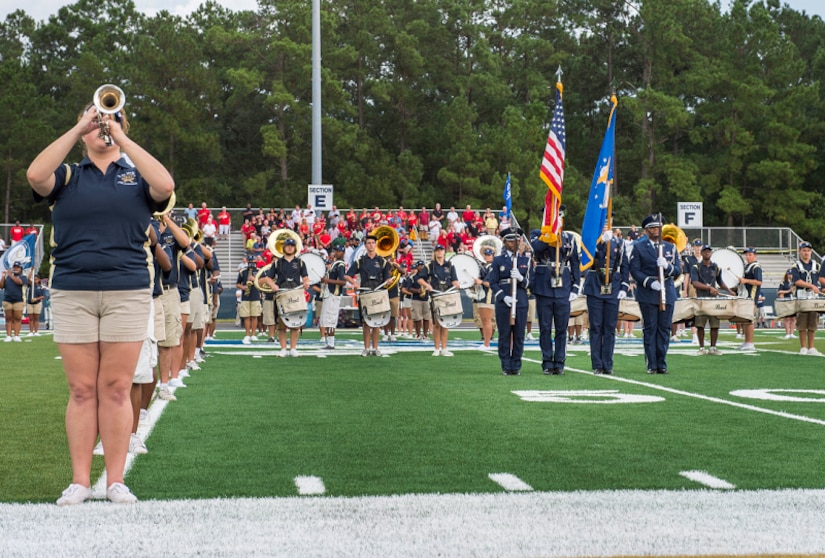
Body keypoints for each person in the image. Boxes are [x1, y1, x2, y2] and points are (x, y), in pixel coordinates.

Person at [27, 95, 175, 505]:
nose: (103, 126)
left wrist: (122, 137)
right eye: (96, 121)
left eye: (113, 119)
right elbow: (36, 175)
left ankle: (115, 480)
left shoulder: (136, 176)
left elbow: (165, 186)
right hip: (72, 290)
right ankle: (78, 480)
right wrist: (81, 126)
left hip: (127, 291)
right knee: (80, 390)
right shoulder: (70, 175)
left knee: (114, 388)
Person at [629, 214, 682, 374]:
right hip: (648, 292)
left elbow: (678, 270)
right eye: (652, 228)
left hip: (668, 290)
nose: (656, 230)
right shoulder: (639, 247)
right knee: (651, 328)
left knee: (664, 328)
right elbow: (635, 270)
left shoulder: (670, 247)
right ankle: (651, 363)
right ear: (646, 230)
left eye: (658, 227)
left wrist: (667, 266)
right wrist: (649, 282)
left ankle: (662, 362)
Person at [530, 225, 582, 375]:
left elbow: (575, 263)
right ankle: (547, 362)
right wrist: (548, 236)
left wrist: (576, 286)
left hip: (563, 287)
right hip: (544, 286)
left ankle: (559, 362)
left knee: (561, 329)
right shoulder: (537, 234)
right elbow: (537, 249)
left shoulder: (569, 238)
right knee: (545, 328)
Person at [584, 229, 630, 375]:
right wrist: (600, 243)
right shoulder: (590, 243)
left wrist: (624, 285)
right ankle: (597, 364)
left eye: (607, 222)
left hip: (613, 287)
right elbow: (586, 260)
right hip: (595, 285)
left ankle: (607, 364)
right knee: (596, 327)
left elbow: (624, 265)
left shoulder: (620, 243)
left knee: (609, 328)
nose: (604, 226)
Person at [487, 227, 532, 375]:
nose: (514, 243)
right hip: (504, 301)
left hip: (520, 299)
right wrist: (502, 296)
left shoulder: (526, 260)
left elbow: (531, 283)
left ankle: (516, 365)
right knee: (505, 334)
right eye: (511, 240)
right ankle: (506, 365)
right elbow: (492, 282)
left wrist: (521, 278)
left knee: (519, 335)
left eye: (516, 240)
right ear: (505, 241)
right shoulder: (498, 260)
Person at [260, 237, 309, 357]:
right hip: (282, 295)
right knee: (281, 323)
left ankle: (293, 348)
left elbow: (305, 276)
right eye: (288, 245)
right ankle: (283, 348)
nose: (290, 247)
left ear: (295, 248)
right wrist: (272, 285)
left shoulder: (300, 262)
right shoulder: (277, 263)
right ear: (284, 248)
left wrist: (306, 282)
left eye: (292, 246)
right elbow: (267, 278)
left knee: (295, 323)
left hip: (295, 294)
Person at [346, 234, 390, 356]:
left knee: (377, 322)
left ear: (375, 245)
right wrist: (354, 282)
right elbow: (347, 275)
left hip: (378, 293)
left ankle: (375, 348)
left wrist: (388, 280)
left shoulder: (383, 261)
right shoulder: (360, 261)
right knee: (366, 322)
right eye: (369, 243)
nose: (371, 245)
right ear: (365, 246)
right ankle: (366, 348)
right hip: (365, 293)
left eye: (373, 243)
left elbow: (387, 277)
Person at [690, 244, 736, 356]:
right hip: (701, 298)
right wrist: (709, 288)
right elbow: (695, 283)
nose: (707, 253)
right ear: (701, 253)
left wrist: (729, 290)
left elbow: (720, 281)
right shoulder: (696, 267)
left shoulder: (716, 267)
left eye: (709, 251)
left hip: (714, 300)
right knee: (700, 324)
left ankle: (713, 347)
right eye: (705, 251)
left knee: (715, 324)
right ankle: (701, 347)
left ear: (711, 253)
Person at [416, 245, 460, 356]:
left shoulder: (450, 265)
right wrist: (427, 285)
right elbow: (420, 279)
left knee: (445, 323)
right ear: (435, 253)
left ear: (444, 252)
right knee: (436, 323)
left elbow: (454, 280)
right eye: (437, 250)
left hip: (447, 295)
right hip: (436, 295)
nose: (440, 252)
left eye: (441, 250)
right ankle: (436, 348)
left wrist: (456, 284)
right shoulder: (429, 266)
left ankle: (444, 348)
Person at [791, 241, 821, 355]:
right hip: (802, 296)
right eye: (804, 250)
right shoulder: (796, 266)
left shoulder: (816, 265)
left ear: (811, 252)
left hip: (814, 297)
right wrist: (811, 286)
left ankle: (811, 347)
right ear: (799, 252)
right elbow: (797, 281)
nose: (806, 253)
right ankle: (803, 346)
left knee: (813, 322)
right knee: (802, 322)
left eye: (808, 251)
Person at [318, 241, 348, 350]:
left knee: (331, 318)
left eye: (339, 251)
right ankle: (329, 341)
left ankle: (331, 342)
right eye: (336, 250)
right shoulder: (336, 264)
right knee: (327, 318)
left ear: (343, 252)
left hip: (334, 294)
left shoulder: (340, 265)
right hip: (329, 293)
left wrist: (327, 280)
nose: (336, 252)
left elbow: (343, 282)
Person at [736, 248, 762, 351]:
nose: (747, 257)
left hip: (751, 297)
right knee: (744, 320)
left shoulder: (756, 267)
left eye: (750, 254)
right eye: (746, 255)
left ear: (755, 256)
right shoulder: (747, 266)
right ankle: (746, 341)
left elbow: (759, 282)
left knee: (749, 320)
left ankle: (750, 342)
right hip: (745, 297)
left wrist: (745, 280)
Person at [1, 261, 27, 342]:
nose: (16, 269)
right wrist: (3, 277)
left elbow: (19, 282)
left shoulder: (23, 277)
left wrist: (11, 275)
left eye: (17, 267)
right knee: (8, 318)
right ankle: (8, 335)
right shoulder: (8, 277)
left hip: (18, 300)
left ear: (20, 269)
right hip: (7, 299)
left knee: (17, 318)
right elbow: (1, 286)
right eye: (15, 267)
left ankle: (16, 335)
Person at [777, 270, 796, 338]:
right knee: (787, 318)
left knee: (793, 318)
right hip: (786, 300)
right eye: (789, 274)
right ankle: (787, 333)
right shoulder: (783, 282)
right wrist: (788, 291)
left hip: (793, 300)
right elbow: (779, 291)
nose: (790, 275)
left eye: (791, 274)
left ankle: (792, 333)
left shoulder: (795, 282)